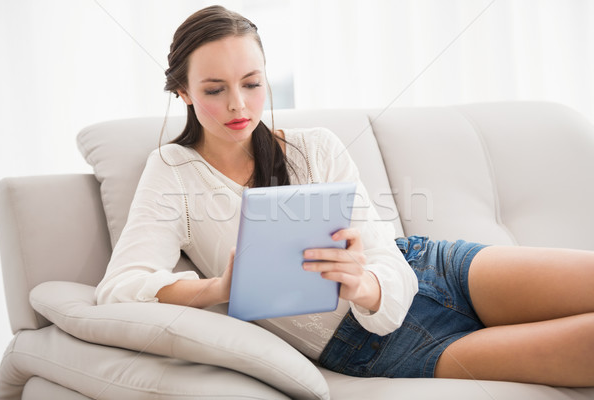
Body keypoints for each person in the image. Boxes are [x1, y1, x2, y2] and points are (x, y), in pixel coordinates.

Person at [95, 5, 594, 386]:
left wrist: (365, 285)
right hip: (368, 343)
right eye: (214, 89)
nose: (238, 105)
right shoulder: (172, 172)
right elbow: (121, 285)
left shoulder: (316, 147)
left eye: (251, 83)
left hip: (425, 266)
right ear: (182, 91)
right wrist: (219, 289)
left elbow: (380, 252)